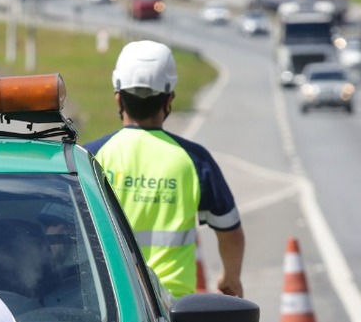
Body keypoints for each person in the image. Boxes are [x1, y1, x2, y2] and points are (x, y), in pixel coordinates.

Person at [84, 40, 245, 299]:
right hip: (173, 310)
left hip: (110, 304)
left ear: (118, 97)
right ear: (169, 100)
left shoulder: (89, 157)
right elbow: (231, 233)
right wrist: (231, 278)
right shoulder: (194, 160)